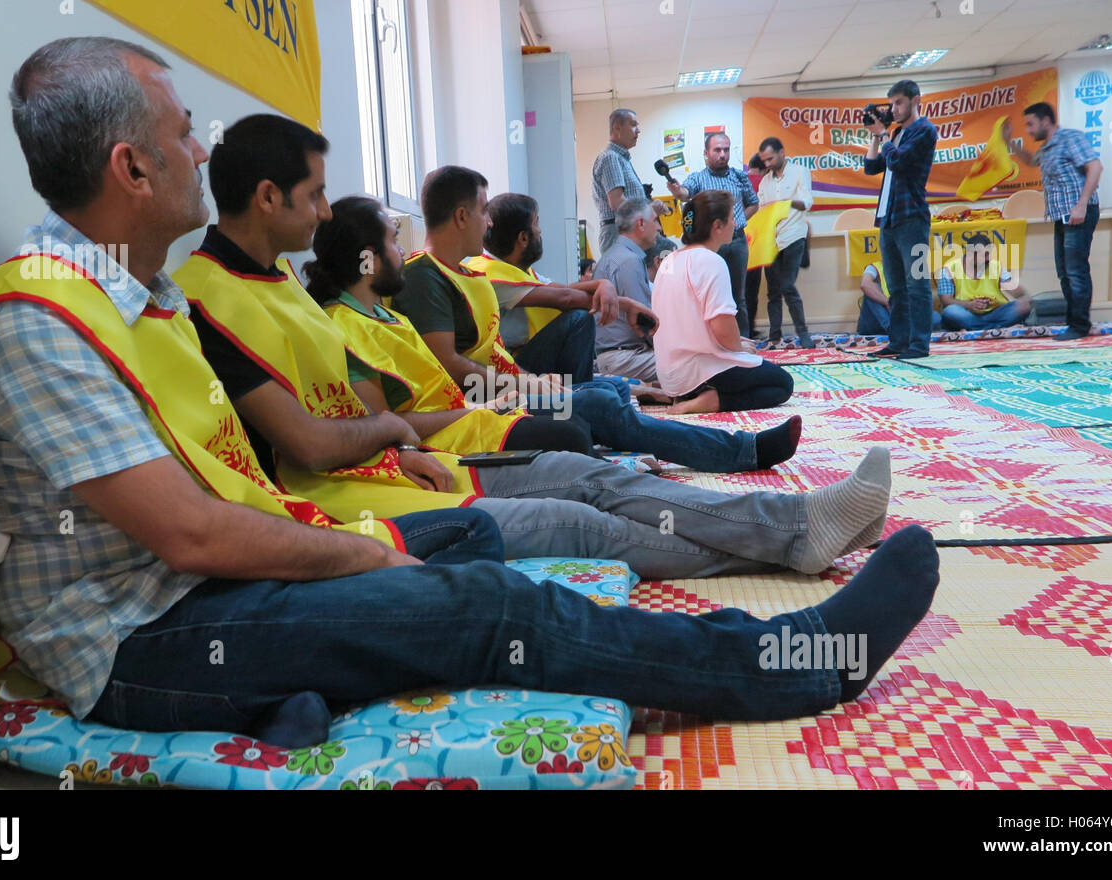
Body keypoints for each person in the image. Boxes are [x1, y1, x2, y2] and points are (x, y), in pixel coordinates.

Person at [0, 36, 940, 741]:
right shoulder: (42, 322)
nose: (199, 149)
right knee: (490, 603)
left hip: (220, 575)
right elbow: (196, 531)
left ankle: (764, 504)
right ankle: (798, 661)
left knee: (567, 449)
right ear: (130, 165)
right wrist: (354, 551)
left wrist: (381, 503)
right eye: (180, 132)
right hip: (147, 635)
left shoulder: (143, 295)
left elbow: (249, 476)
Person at [175, 117, 878, 581]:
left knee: (594, 456)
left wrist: (574, 324)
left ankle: (792, 526)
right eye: (316, 193)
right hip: (391, 474)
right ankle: (786, 532)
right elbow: (336, 432)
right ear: (270, 198)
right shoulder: (216, 298)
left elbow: (532, 305)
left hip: (428, 448)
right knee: (585, 491)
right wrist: (430, 421)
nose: (324, 208)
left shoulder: (293, 291)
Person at [393, 165, 784, 473]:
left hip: (503, 387)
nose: (489, 222)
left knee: (604, 393)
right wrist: (526, 385)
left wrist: (532, 383)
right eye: (483, 212)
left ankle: (716, 447)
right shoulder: (425, 275)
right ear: (462, 217)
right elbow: (449, 365)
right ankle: (739, 451)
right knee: (597, 404)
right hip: (481, 400)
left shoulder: (465, 272)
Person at [463, 192, 654, 384]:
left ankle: (584, 391)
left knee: (617, 387)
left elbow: (564, 291)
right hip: (499, 376)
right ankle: (579, 395)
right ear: (523, 238)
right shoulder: (489, 274)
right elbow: (566, 298)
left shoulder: (513, 269)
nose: (540, 231)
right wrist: (625, 303)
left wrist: (603, 284)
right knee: (580, 318)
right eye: (536, 223)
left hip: (518, 365)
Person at [651, 190, 795, 414]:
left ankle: (698, 396)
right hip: (699, 371)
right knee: (782, 384)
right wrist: (740, 349)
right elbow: (723, 331)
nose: (736, 223)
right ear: (717, 226)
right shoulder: (710, 261)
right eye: (731, 218)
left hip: (671, 377)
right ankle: (712, 401)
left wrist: (735, 346)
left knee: (752, 364)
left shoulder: (670, 260)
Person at [1011, 102, 1102, 340]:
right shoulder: (1047, 147)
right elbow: (1031, 161)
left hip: (1079, 212)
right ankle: (1074, 323)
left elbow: (1095, 166)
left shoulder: (1070, 138)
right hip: (1061, 216)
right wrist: (1009, 142)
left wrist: (1082, 204)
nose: (1029, 130)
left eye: (1031, 124)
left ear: (1046, 121)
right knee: (1064, 272)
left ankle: (1080, 326)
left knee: (1076, 271)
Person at [863, 80, 938, 359]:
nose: (893, 109)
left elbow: (897, 163)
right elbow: (872, 167)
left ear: (916, 100)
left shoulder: (924, 130)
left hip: (913, 219)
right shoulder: (894, 134)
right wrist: (876, 135)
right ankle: (898, 342)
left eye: (899, 103)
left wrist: (883, 135)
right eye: (891, 103)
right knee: (895, 286)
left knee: (916, 282)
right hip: (889, 219)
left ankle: (918, 344)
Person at [666, 132, 761, 337]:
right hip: (708, 246)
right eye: (717, 150)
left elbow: (754, 203)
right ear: (706, 153)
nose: (722, 154)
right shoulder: (698, 178)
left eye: (726, 150)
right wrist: (676, 190)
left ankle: (742, 344)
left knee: (738, 297)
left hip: (737, 242)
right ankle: (711, 341)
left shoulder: (739, 176)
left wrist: (734, 222)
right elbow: (684, 193)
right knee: (709, 294)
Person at [592, 198, 661, 383]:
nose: (659, 228)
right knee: (697, 366)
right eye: (655, 220)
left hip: (621, 356)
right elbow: (646, 324)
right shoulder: (628, 261)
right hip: (626, 359)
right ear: (640, 224)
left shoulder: (617, 255)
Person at [757, 137, 814, 346]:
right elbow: (762, 211)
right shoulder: (765, 181)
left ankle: (804, 334)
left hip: (794, 235)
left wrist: (784, 203)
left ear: (782, 152)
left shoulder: (800, 171)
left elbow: (806, 202)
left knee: (787, 285)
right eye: (764, 161)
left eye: (770, 158)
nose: (767, 164)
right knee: (773, 291)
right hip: (771, 240)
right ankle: (774, 336)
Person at [936, 233, 1032, 331]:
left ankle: (977, 329)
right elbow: (946, 300)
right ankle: (996, 329)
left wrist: (1024, 297)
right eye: (984, 255)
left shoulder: (995, 266)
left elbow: (1015, 290)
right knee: (951, 311)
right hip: (967, 313)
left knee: (1023, 306)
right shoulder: (949, 268)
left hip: (995, 313)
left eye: (989, 254)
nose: (988, 258)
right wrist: (969, 305)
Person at [591, 108, 646, 256]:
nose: (638, 130)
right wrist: (649, 212)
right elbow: (617, 202)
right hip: (617, 232)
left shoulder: (621, 159)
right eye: (633, 124)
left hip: (624, 232)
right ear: (617, 128)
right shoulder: (611, 157)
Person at [857, 261, 943, 336]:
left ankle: (902, 328)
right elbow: (865, 284)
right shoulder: (874, 268)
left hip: (899, 315)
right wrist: (887, 302)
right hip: (876, 319)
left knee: (935, 317)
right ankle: (893, 329)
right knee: (871, 289)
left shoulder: (909, 269)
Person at [744, 154, 768, 339]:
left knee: (735, 290)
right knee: (751, 291)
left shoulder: (737, 180)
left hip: (735, 240)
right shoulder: (765, 183)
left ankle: (739, 331)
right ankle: (749, 330)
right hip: (756, 243)